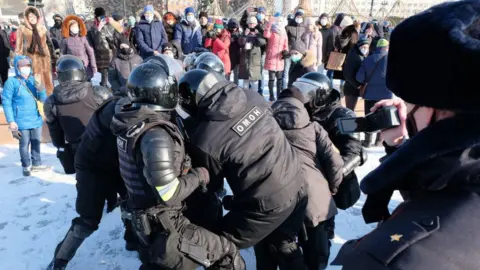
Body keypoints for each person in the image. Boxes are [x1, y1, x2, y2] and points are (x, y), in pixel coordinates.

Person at [333, 2, 480, 269]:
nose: (404, 109)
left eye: (410, 101)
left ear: (443, 111)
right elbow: (445, 195)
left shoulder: (389, 259)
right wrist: (401, 146)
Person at [110, 61, 245, 270]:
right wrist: (199, 175)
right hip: (167, 224)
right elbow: (168, 192)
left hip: (150, 220)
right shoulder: (156, 135)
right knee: (228, 255)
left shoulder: (132, 121)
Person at [178, 69, 307, 269]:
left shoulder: (205, 139)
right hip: (297, 179)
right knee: (280, 243)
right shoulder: (252, 96)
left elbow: (212, 186)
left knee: (217, 243)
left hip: (267, 203)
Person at [48, 96, 132, 270]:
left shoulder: (129, 103)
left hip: (115, 162)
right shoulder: (120, 108)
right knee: (88, 219)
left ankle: (132, 239)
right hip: (91, 166)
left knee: (132, 201)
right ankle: (59, 261)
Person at [272, 84, 344, 270]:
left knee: (283, 248)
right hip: (314, 199)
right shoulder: (314, 127)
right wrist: (333, 188)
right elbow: (334, 162)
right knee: (316, 254)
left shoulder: (265, 129)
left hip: (278, 199)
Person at [302, 72, 366, 242]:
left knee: (320, 230)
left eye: (307, 93)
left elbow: (356, 152)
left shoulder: (344, 115)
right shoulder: (302, 111)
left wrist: (332, 176)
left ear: (321, 96)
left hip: (332, 180)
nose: (303, 97)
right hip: (304, 174)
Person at [43, 55, 111, 175]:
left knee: (85, 182)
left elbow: (56, 134)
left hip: (78, 150)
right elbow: (114, 118)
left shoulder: (51, 102)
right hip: (104, 146)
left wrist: (61, 145)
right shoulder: (98, 93)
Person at [2, 56, 49, 176]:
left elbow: (42, 99)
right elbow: (6, 102)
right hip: (20, 119)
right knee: (24, 144)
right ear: (17, 68)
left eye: (28, 66)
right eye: (22, 66)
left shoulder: (34, 79)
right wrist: (11, 121)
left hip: (35, 117)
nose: (25, 68)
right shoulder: (11, 82)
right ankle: (26, 165)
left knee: (36, 141)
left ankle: (37, 163)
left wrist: (41, 88)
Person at [356, 38, 392, 148]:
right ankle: (379, 141)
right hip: (386, 94)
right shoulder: (391, 60)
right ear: (387, 47)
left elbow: (359, 77)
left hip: (370, 94)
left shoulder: (368, 59)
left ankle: (367, 141)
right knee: (384, 117)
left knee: (369, 116)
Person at [16, 7, 54, 95]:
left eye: (34, 16)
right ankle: (39, 101)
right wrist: (19, 62)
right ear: (27, 18)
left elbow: (48, 43)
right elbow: (19, 48)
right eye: (30, 17)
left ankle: (50, 100)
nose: (32, 19)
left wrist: (52, 57)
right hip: (31, 59)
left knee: (48, 80)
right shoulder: (22, 29)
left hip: (44, 58)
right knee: (37, 82)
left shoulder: (42, 27)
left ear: (37, 17)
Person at [87, 7, 122, 87]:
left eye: (103, 17)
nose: (101, 19)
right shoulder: (92, 30)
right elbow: (96, 44)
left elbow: (118, 34)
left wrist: (113, 23)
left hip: (112, 55)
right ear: (96, 17)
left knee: (114, 78)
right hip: (101, 57)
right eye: (100, 17)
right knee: (104, 81)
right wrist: (99, 29)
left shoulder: (109, 26)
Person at [60, 15, 97, 81]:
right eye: (73, 26)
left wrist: (93, 66)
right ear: (69, 27)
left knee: (87, 85)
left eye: (76, 26)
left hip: (85, 66)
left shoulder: (83, 38)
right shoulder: (65, 40)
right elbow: (62, 55)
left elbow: (90, 52)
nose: (75, 28)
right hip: (72, 68)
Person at [237, 16, 266, 93]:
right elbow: (240, 43)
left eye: (253, 24)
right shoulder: (244, 32)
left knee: (254, 83)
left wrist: (258, 35)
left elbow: (262, 43)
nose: (251, 25)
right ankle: (246, 98)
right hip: (245, 60)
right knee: (245, 83)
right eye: (250, 23)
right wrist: (245, 35)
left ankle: (254, 98)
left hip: (255, 60)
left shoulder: (259, 32)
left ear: (256, 24)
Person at [263, 17, 288, 101]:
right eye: (277, 21)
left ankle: (278, 95)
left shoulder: (284, 33)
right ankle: (271, 95)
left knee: (279, 78)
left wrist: (285, 52)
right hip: (271, 58)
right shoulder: (272, 31)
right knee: (271, 78)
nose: (279, 22)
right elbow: (266, 35)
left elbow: (286, 45)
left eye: (280, 21)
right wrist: (269, 24)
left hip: (280, 58)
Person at [325, 13, 353, 84]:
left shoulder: (339, 28)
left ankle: (333, 86)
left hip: (337, 52)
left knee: (333, 71)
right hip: (335, 52)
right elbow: (334, 41)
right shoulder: (335, 28)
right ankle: (330, 86)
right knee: (332, 71)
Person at [343, 37, 370, 111]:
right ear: (359, 46)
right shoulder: (353, 56)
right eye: (363, 47)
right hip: (351, 88)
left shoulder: (360, 55)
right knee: (350, 110)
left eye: (367, 47)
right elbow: (347, 74)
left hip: (355, 87)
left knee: (352, 109)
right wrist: (358, 85)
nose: (365, 49)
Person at [284, 11, 306, 89]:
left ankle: (297, 88)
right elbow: (285, 40)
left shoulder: (304, 28)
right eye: (297, 17)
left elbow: (304, 41)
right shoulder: (289, 27)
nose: (299, 19)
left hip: (300, 54)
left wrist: (301, 52)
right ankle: (288, 88)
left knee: (299, 71)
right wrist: (289, 49)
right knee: (288, 71)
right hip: (290, 53)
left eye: (300, 17)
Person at [255, 7, 268, 96]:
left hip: (263, 50)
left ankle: (261, 90)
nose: (261, 14)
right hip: (254, 49)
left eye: (262, 13)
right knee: (254, 70)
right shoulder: (253, 21)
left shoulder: (267, 24)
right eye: (259, 13)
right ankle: (252, 89)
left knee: (261, 72)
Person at [227, 18, 241, 84]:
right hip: (228, 57)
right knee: (227, 75)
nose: (233, 29)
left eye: (235, 28)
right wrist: (230, 39)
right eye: (232, 28)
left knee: (236, 75)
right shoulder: (226, 34)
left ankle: (236, 88)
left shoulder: (239, 34)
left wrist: (238, 38)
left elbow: (242, 43)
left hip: (237, 58)